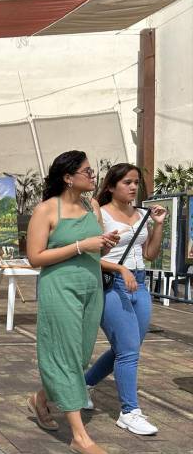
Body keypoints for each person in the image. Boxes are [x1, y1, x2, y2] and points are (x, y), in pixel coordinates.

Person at [26, 150, 121, 454]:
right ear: (68, 177)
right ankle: (80, 437)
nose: (93, 176)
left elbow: (92, 249)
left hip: (91, 288)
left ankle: (40, 399)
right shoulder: (45, 210)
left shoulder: (91, 205)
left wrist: (103, 243)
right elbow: (35, 258)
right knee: (65, 356)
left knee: (79, 357)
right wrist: (81, 245)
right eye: (87, 171)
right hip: (59, 289)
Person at [84, 164, 167, 435]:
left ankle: (84, 384)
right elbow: (92, 255)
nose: (133, 187)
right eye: (127, 182)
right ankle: (129, 411)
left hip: (139, 284)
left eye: (135, 183)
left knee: (127, 348)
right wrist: (120, 268)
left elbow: (151, 254)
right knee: (129, 349)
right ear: (111, 186)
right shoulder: (101, 213)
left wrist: (158, 226)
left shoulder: (143, 214)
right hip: (111, 284)